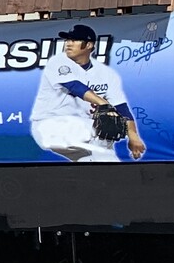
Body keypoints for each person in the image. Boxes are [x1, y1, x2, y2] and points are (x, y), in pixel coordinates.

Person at [29, 23, 148, 162]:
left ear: (89, 45)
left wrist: (133, 135)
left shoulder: (107, 74)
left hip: (81, 131)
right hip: (49, 126)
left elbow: (121, 107)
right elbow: (75, 86)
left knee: (104, 160)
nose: (68, 44)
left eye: (74, 40)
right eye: (67, 40)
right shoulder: (58, 62)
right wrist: (104, 104)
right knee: (99, 131)